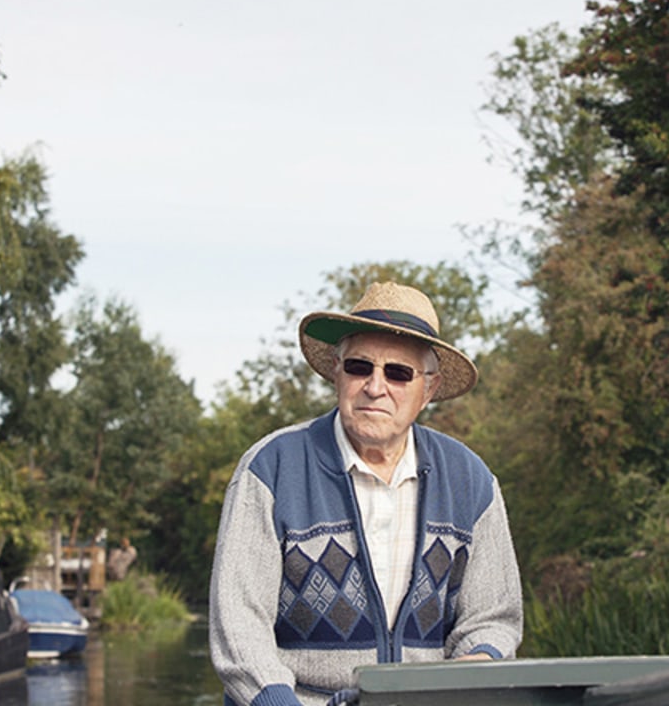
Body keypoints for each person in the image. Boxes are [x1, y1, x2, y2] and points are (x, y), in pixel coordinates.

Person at [210, 281, 523, 706]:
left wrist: (475, 667)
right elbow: (240, 625)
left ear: (427, 390)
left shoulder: (472, 481)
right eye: (360, 367)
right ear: (337, 371)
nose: (376, 387)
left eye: (398, 373)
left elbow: (493, 618)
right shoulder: (270, 468)